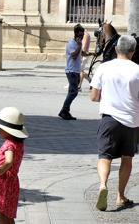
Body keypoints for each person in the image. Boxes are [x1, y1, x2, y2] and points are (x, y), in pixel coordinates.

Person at [89, 35, 139, 211]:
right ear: (133, 52)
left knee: (104, 156)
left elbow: (94, 96)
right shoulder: (137, 70)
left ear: (117, 49)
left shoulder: (104, 68)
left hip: (109, 119)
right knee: (127, 158)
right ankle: (120, 196)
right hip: (132, 121)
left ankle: (103, 185)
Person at [0, 107, 28, 224]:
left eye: (0, 128)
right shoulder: (17, 143)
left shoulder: (9, 144)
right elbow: (5, 158)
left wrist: (0, 171)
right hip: (11, 182)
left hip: (3, 182)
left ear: (8, 130)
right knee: (7, 213)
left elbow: (8, 161)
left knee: (0, 212)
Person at [58, 24, 84, 121]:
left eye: (82, 35)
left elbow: (81, 53)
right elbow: (74, 55)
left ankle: (66, 111)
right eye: (80, 35)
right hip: (71, 71)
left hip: (76, 71)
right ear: (76, 34)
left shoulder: (77, 44)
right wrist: (80, 46)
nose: (81, 37)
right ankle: (64, 111)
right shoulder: (71, 43)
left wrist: (90, 53)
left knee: (71, 92)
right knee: (74, 92)